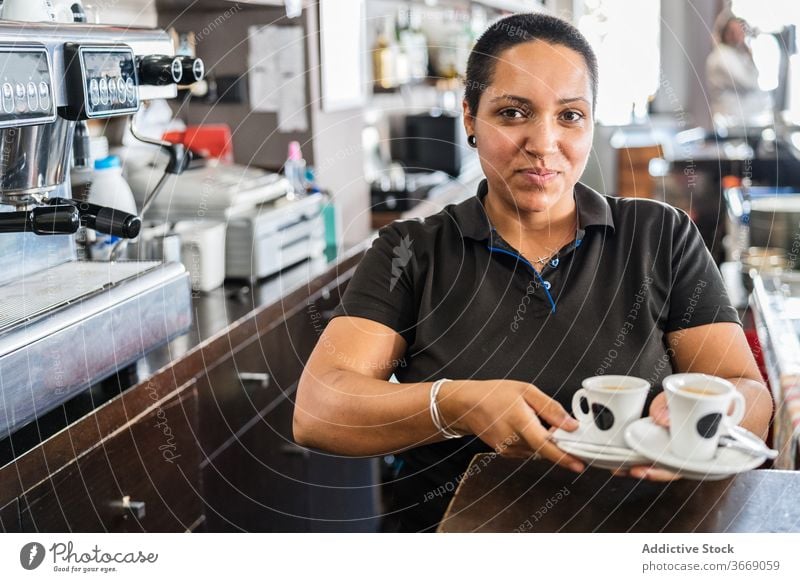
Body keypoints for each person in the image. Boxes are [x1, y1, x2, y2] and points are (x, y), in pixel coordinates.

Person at [294, 13, 773, 532]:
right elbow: (319, 410)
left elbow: (748, 393)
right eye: (514, 112)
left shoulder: (660, 234)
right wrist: (455, 403)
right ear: (470, 119)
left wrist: (711, 418)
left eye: (570, 115)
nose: (544, 143)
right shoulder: (411, 251)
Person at [705, 13, 773, 129]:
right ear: (725, 33)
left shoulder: (737, 54)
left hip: (745, 122)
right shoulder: (722, 56)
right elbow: (748, 82)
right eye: (733, 31)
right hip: (732, 123)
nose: (738, 35)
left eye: (741, 31)